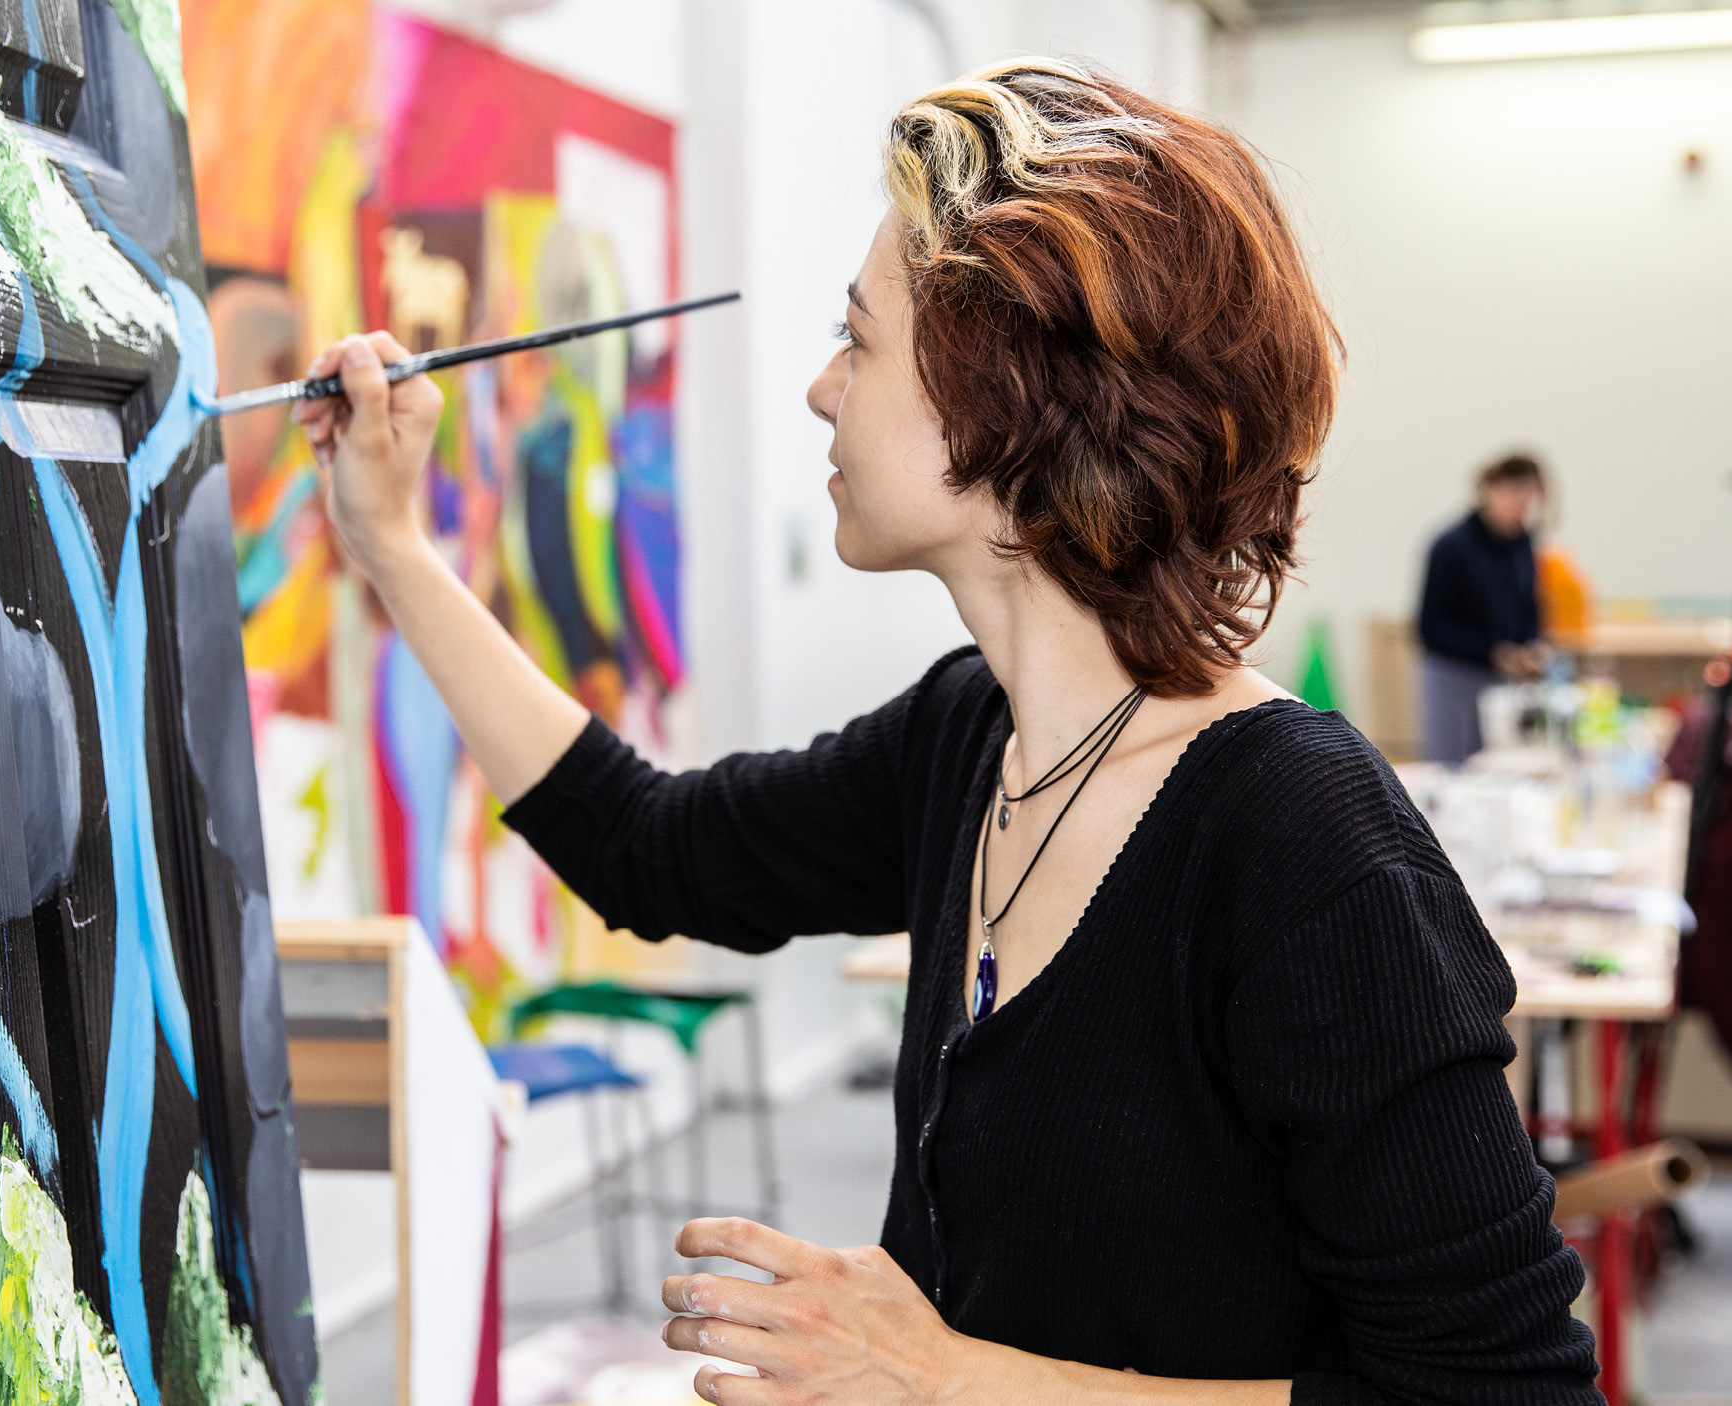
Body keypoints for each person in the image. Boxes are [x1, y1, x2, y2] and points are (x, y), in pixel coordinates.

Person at [299, 60, 1597, 1406]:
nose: (818, 388)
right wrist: (391, 544)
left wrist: (944, 1377)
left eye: (857, 339)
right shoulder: (966, 742)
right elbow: (650, 848)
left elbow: (1508, 1394)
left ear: (1004, 398)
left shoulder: (1302, 842)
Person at [1417, 454, 1551, 764]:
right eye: (1513, 495)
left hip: (1502, 679)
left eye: (1528, 498)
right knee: (1454, 766)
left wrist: (1532, 645)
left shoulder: (1522, 543)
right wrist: (1493, 651)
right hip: (1453, 675)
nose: (1520, 507)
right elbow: (1430, 627)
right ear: (1491, 490)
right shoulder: (1450, 546)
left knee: (1500, 764)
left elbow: (1529, 604)